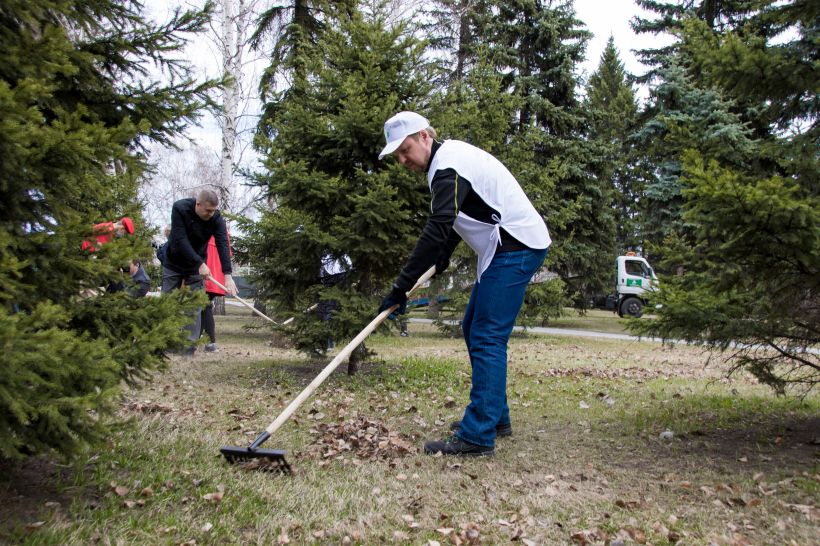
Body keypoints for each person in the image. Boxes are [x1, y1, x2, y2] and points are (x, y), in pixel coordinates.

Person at [377, 111, 551, 457]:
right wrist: (442, 258)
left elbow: (438, 227)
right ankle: (495, 417)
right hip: (506, 246)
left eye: (405, 150)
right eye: (397, 155)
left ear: (424, 136)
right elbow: (463, 215)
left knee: (487, 335)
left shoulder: (447, 166)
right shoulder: (447, 161)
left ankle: (478, 435)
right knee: (475, 327)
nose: (402, 160)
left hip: (517, 245)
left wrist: (400, 288)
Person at [161, 189, 237, 355]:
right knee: (167, 303)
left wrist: (228, 275)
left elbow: (223, 244)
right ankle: (164, 343)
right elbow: (180, 239)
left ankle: (188, 348)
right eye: (208, 210)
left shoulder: (216, 218)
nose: (211, 214)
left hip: (196, 267)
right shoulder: (180, 208)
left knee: (194, 306)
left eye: (213, 210)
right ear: (198, 204)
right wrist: (199, 263)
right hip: (174, 262)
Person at [201, 234, 232, 352]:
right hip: (215, 276)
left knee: (203, 307)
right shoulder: (222, 232)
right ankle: (204, 342)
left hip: (206, 275)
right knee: (203, 307)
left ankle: (210, 343)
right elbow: (227, 254)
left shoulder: (203, 230)